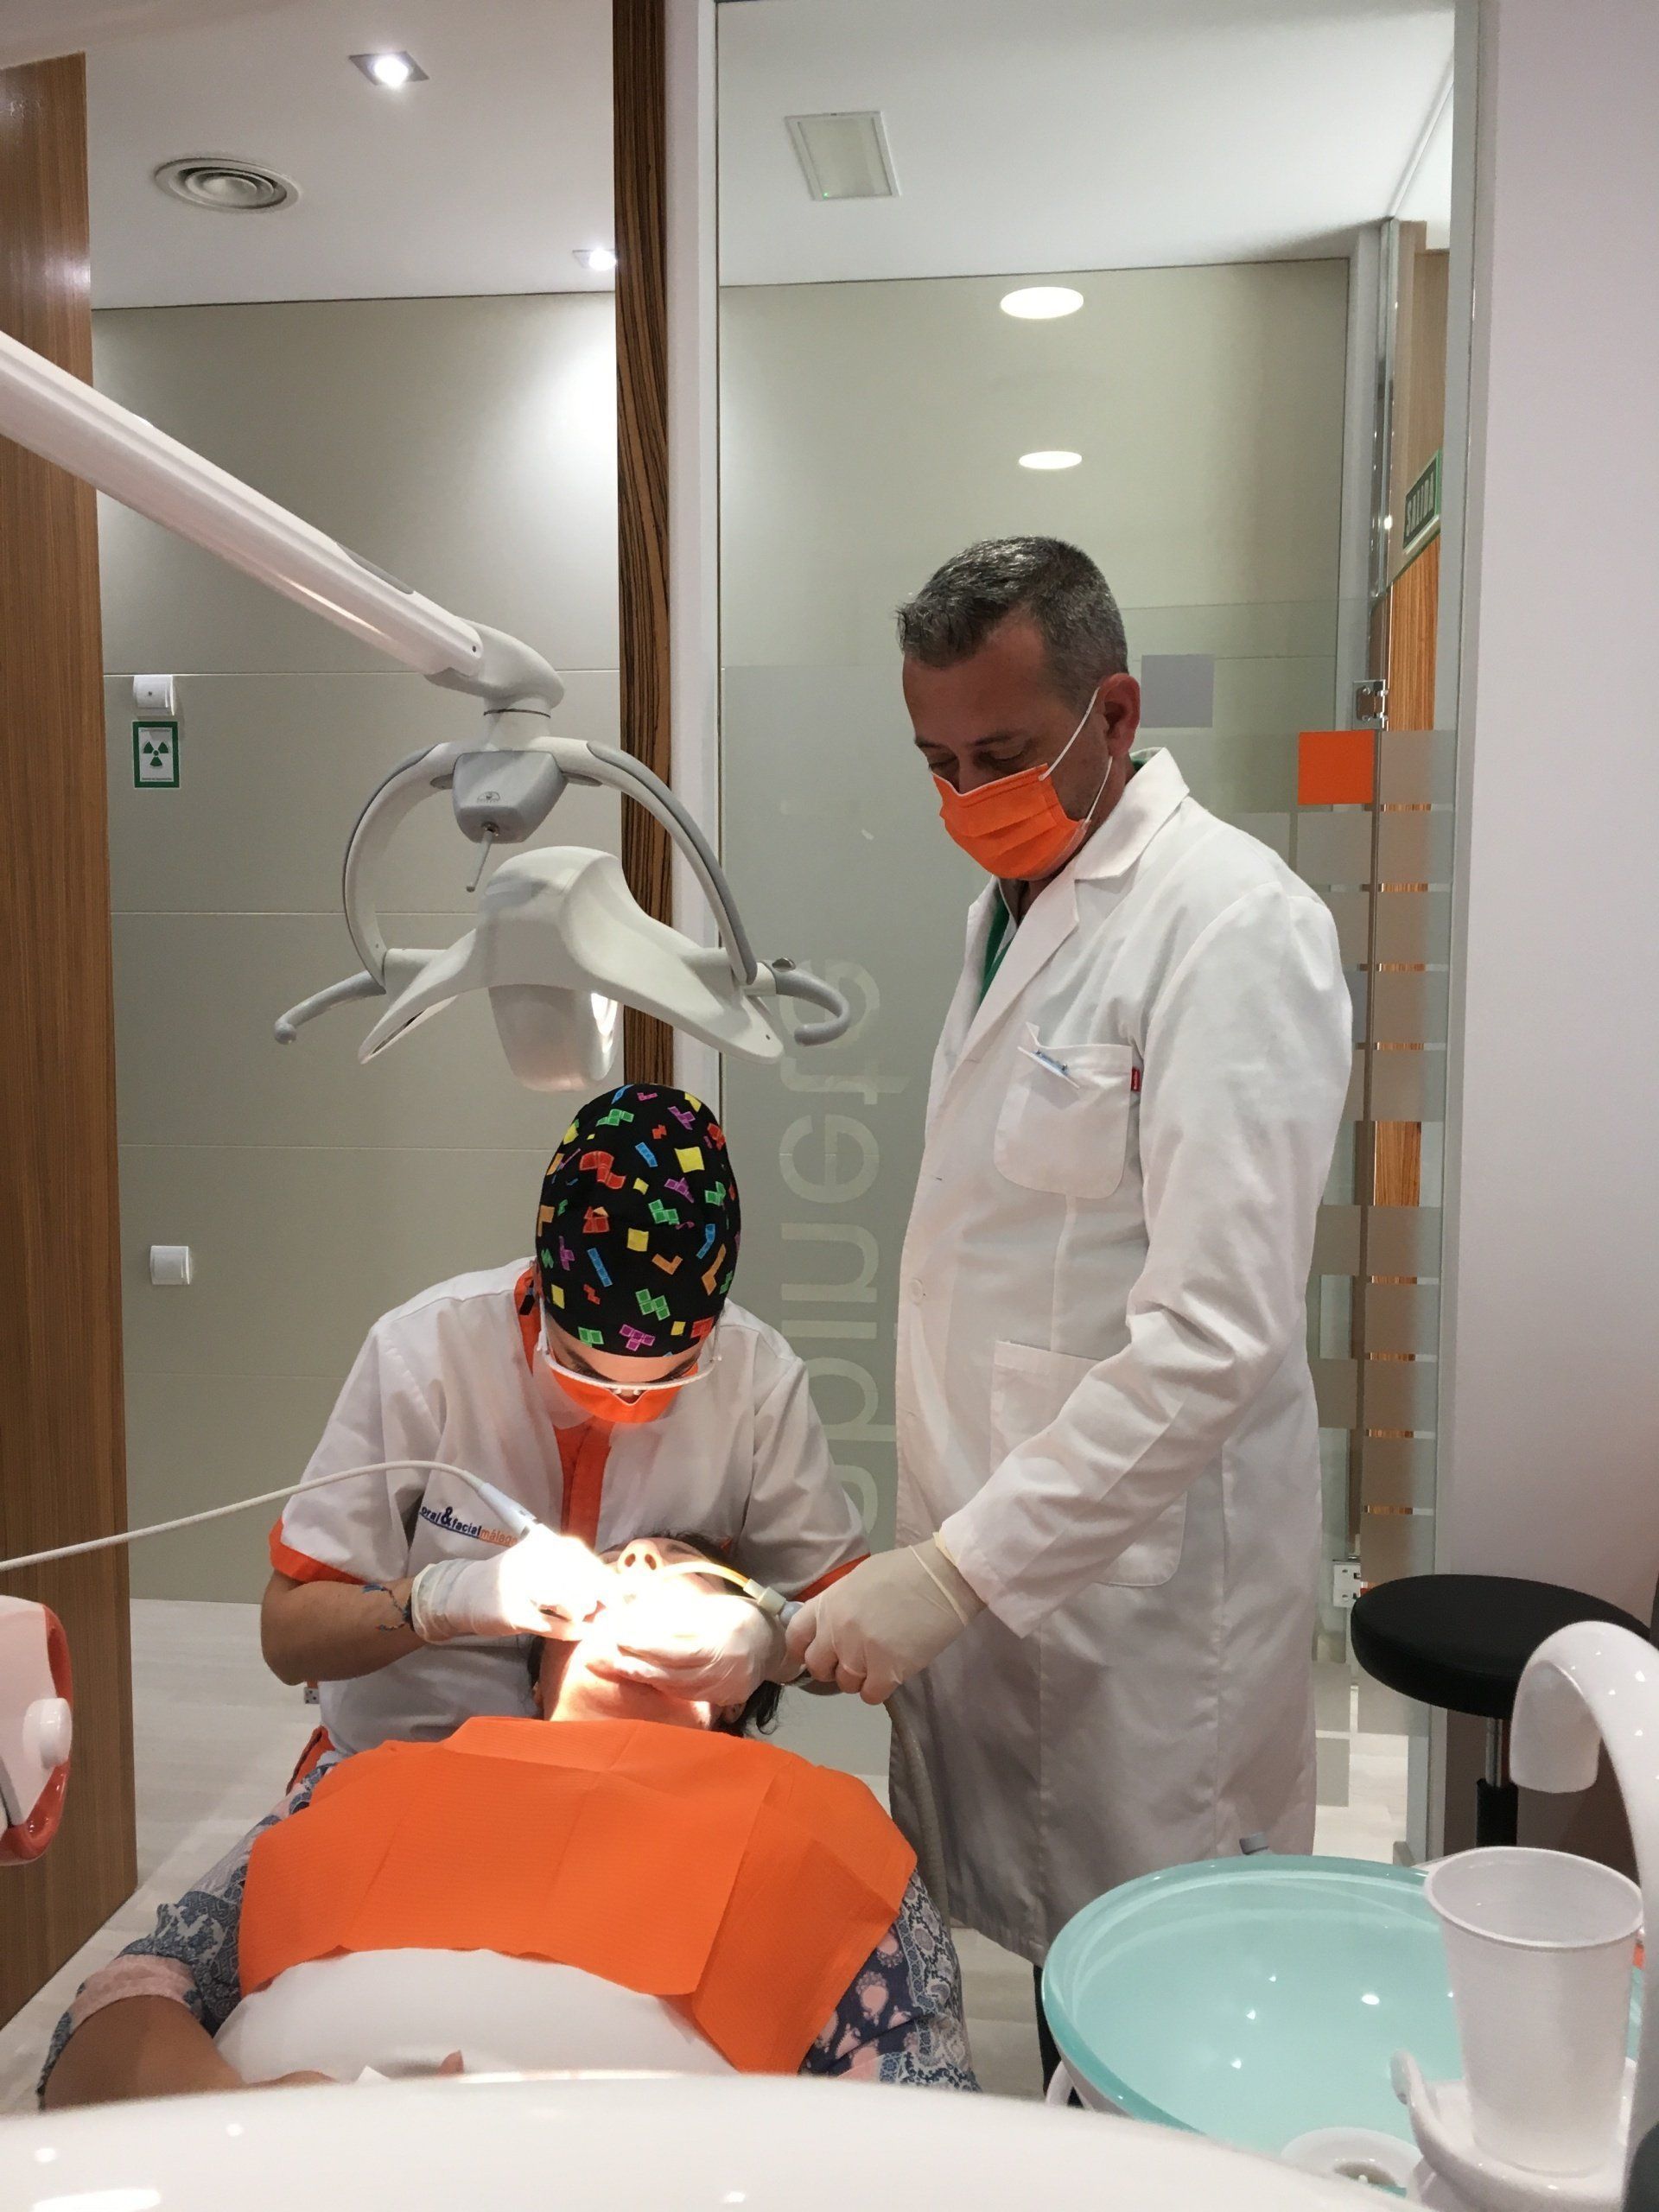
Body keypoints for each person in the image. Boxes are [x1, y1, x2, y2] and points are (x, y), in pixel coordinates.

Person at [785, 537, 1352, 2046]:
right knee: (1064, 1996)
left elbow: (1216, 1338)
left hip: (1152, 1616)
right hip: (1023, 1570)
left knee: (1164, 2022)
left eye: (1004, 753)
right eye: (939, 763)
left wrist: (961, 1572)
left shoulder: (1236, 927)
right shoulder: (1005, 911)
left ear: (1115, 711)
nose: (971, 797)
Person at [41, 1536, 976, 2103]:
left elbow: (925, 2147)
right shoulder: (360, 1785)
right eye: (619, 1571)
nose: (641, 1572)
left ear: (741, 1680)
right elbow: (107, 2019)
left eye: (688, 1576)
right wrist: (234, 2131)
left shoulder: (825, 1830)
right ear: (538, 1664)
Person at [262, 1084, 866, 1771]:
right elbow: (287, 1641)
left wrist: (767, 1645)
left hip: (654, 1791)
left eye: (668, 1378)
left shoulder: (759, 1383)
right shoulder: (424, 1354)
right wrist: (443, 1599)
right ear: (541, 1288)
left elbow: (842, 1644)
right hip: (407, 1767)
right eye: (581, 1367)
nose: (620, 1405)